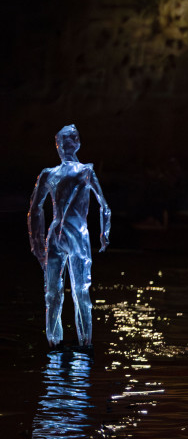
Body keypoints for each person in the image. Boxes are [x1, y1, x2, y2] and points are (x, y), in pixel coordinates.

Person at [28, 124, 112, 347]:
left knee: (78, 292)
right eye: (61, 142)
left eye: (68, 141)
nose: (64, 146)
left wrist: (105, 233)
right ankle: (58, 344)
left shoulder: (85, 171)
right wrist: (36, 243)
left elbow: (104, 206)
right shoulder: (51, 174)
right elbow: (35, 209)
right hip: (62, 237)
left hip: (74, 237)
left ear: (77, 143)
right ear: (57, 145)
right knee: (55, 294)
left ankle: (83, 344)